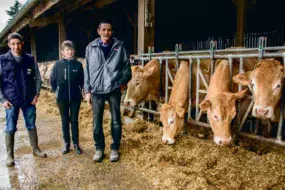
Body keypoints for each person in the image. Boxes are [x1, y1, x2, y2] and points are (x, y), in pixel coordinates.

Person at [84, 21, 132, 162]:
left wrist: (122, 82)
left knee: (116, 120)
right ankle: (99, 148)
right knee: (96, 122)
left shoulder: (119, 46)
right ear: (98, 31)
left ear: (112, 31)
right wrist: (87, 90)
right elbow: (86, 70)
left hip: (113, 88)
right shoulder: (90, 47)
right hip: (97, 89)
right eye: (103, 30)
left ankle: (115, 148)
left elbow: (127, 68)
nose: (106, 33)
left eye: (109, 30)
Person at [0, 33, 47, 167]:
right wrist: (2, 99)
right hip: (11, 100)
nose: (16, 46)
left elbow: (38, 78)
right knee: (10, 127)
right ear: (9, 45)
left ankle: (35, 148)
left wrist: (36, 94)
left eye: (18, 43)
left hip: (28, 100)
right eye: (13, 44)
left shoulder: (30, 59)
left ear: (22, 44)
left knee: (31, 125)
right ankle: (10, 155)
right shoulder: (2, 60)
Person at [50, 40, 84, 155]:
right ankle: (66, 144)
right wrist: (57, 91)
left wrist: (81, 91)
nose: (69, 52)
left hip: (75, 97)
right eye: (66, 50)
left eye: (71, 50)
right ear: (62, 52)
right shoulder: (58, 65)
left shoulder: (78, 65)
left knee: (74, 120)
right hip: (62, 98)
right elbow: (52, 80)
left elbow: (82, 81)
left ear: (74, 51)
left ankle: (76, 144)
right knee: (64, 120)